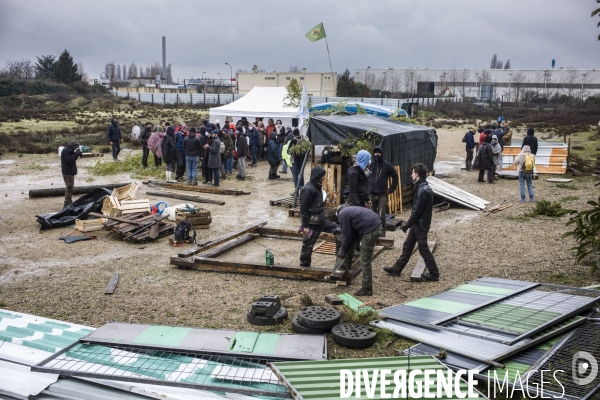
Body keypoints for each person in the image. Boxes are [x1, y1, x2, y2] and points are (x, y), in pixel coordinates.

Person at [384, 163, 439, 281]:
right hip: (418, 223)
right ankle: (397, 269)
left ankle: (434, 274)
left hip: (420, 224)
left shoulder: (422, 190)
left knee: (423, 248)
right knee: (408, 245)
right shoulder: (423, 187)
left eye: (413, 173)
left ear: (417, 174)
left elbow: (416, 211)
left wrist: (406, 225)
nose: (411, 175)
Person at [335, 206, 383, 296]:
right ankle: (346, 266)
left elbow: (346, 236)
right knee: (351, 244)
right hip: (374, 223)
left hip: (371, 230)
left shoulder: (342, 215)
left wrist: (341, 251)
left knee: (364, 260)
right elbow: (351, 236)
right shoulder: (348, 211)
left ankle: (367, 289)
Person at [299, 166, 341, 267]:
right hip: (312, 222)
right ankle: (304, 265)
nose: (324, 178)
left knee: (339, 230)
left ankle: (340, 258)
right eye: (323, 176)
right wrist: (305, 226)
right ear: (318, 176)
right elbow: (303, 209)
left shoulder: (317, 186)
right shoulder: (308, 189)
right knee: (308, 245)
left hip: (321, 219)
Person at [368, 146, 398, 237]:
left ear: (382, 154)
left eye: (379, 153)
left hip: (382, 194)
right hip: (371, 194)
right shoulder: (370, 165)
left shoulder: (387, 165)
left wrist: (391, 189)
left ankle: (382, 232)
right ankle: (372, 231)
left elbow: (395, 177)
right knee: (371, 214)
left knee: (382, 214)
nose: (377, 154)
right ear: (373, 154)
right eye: (375, 153)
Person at [60, 140, 82, 208]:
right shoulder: (65, 151)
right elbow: (69, 160)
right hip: (67, 172)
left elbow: (72, 158)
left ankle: (69, 203)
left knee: (70, 188)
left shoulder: (69, 150)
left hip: (70, 172)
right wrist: (76, 154)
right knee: (69, 188)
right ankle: (66, 205)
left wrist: (78, 154)